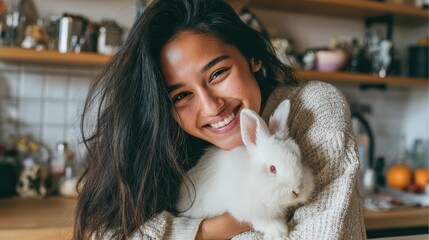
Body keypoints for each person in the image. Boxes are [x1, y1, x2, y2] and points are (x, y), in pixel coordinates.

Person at [74, 0, 366, 239]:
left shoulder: (312, 106)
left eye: (217, 74)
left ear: (252, 58)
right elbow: (107, 233)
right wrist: (214, 230)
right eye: (180, 96)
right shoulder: (172, 140)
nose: (211, 107)